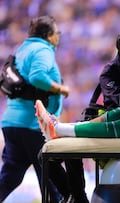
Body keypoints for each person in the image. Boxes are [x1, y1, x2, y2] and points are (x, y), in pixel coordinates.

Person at [0, 15, 71, 202]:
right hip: (34, 125)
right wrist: (60, 88)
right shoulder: (42, 49)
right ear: (48, 35)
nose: (58, 37)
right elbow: (37, 76)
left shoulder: (22, 50)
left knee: (10, 177)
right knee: (50, 180)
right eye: (57, 33)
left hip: (12, 123)